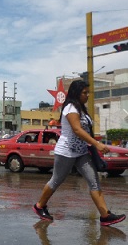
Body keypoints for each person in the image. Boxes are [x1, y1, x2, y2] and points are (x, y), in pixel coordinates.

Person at [33, 80, 126, 226]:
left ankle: (105, 216)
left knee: (94, 181)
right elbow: (77, 129)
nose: (87, 95)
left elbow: (86, 130)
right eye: (84, 93)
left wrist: (93, 146)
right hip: (66, 151)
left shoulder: (81, 109)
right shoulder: (70, 107)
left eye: (88, 92)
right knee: (56, 180)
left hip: (82, 152)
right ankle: (39, 206)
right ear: (76, 93)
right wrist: (97, 144)